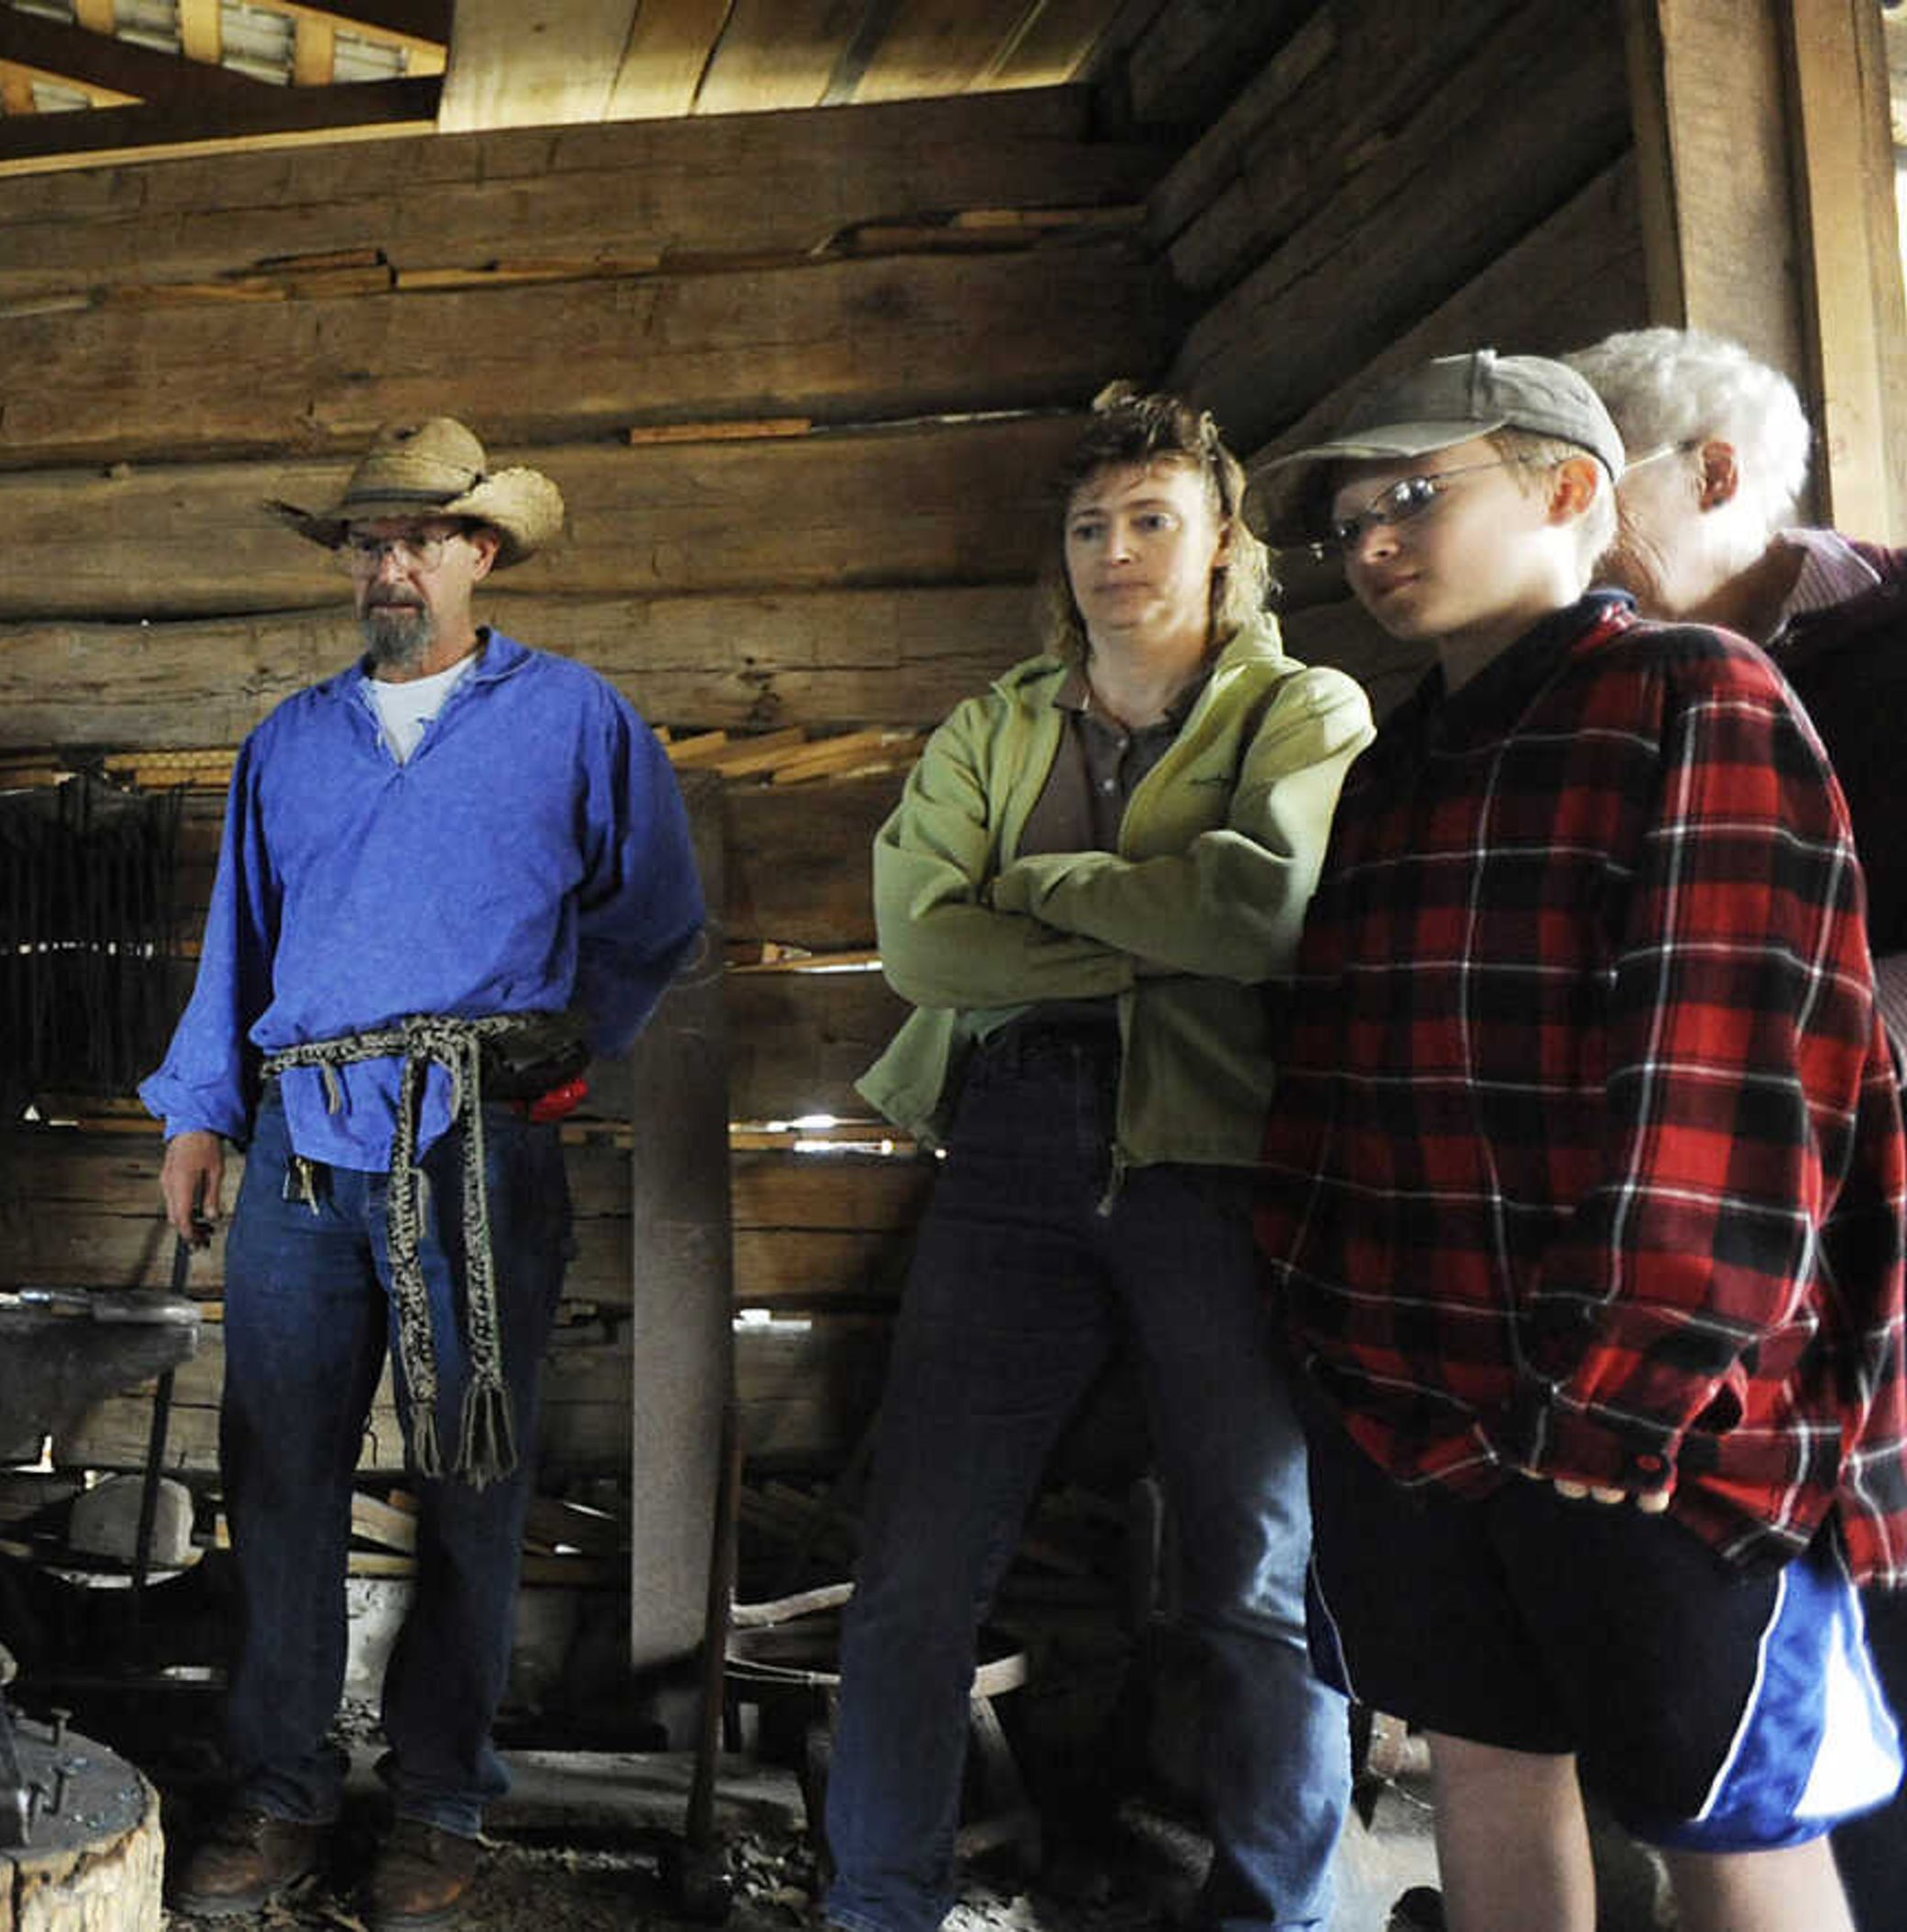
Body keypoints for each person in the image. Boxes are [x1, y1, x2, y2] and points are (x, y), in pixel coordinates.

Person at [1250, 350, 1905, 1932]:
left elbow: (1730, 1082)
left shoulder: (1698, 699)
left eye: (1415, 494)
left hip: (1656, 1422)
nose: (1375, 542)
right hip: (1422, 1400)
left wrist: (1633, 1389)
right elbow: (1343, 1070)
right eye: (1349, 524)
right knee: (1485, 1762)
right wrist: (1338, 1348)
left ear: (1565, 487)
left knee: (1725, 1813)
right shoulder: (1401, 764)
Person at [138, 417, 707, 1930]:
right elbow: (236, 948)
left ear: (483, 551)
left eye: (419, 540)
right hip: (305, 1150)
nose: (388, 566)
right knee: (277, 1475)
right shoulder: (288, 741)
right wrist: (200, 1114)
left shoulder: (576, 720)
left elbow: (655, 916)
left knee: (471, 1476)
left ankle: (438, 1801)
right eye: (365, 542)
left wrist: (574, 1047)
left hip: (480, 1143)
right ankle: (275, 1791)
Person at [824, 387, 1372, 1932]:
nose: (1115, 553)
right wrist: (1150, 933)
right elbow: (926, 944)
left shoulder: (1305, 712)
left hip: (1214, 1170)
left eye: (1151, 521)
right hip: (1006, 1158)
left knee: (1258, 1579)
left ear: (1220, 547)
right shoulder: (995, 724)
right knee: (918, 1571)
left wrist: (1045, 889)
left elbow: (1260, 914)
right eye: (1088, 526)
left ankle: (1277, 1911)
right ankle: (878, 1902)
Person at [1566, 323, 1907, 1930]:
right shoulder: (1598, 690)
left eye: (1593, 470)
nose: (1562, 510)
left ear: (1713, 471)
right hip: (1734, 1266)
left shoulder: (1898, 634)